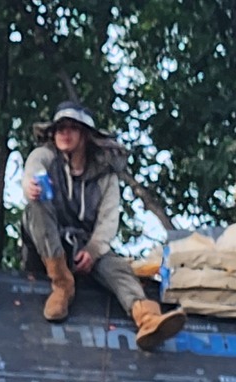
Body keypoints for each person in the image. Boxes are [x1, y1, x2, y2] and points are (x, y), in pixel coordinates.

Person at [21, 101, 184, 348]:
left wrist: (93, 250)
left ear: (85, 135)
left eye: (72, 128)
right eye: (60, 128)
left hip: (84, 245)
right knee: (36, 205)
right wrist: (29, 186)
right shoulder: (45, 157)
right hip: (47, 247)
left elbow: (108, 221)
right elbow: (33, 170)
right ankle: (62, 284)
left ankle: (148, 319)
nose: (64, 134)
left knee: (117, 267)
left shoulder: (105, 176)